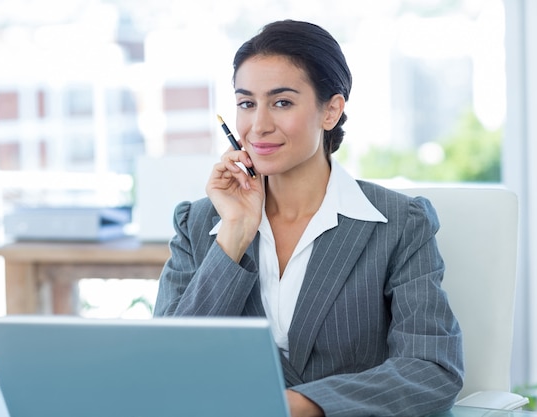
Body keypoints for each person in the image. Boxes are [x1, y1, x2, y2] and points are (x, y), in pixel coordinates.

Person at [154, 19, 464, 417]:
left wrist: (297, 406)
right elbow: (167, 366)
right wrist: (233, 233)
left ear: (331, 110)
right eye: (247, 103)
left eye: (282, 102)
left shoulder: (401, 224)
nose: (259, 126)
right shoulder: (199, 224)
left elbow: (431, 369)